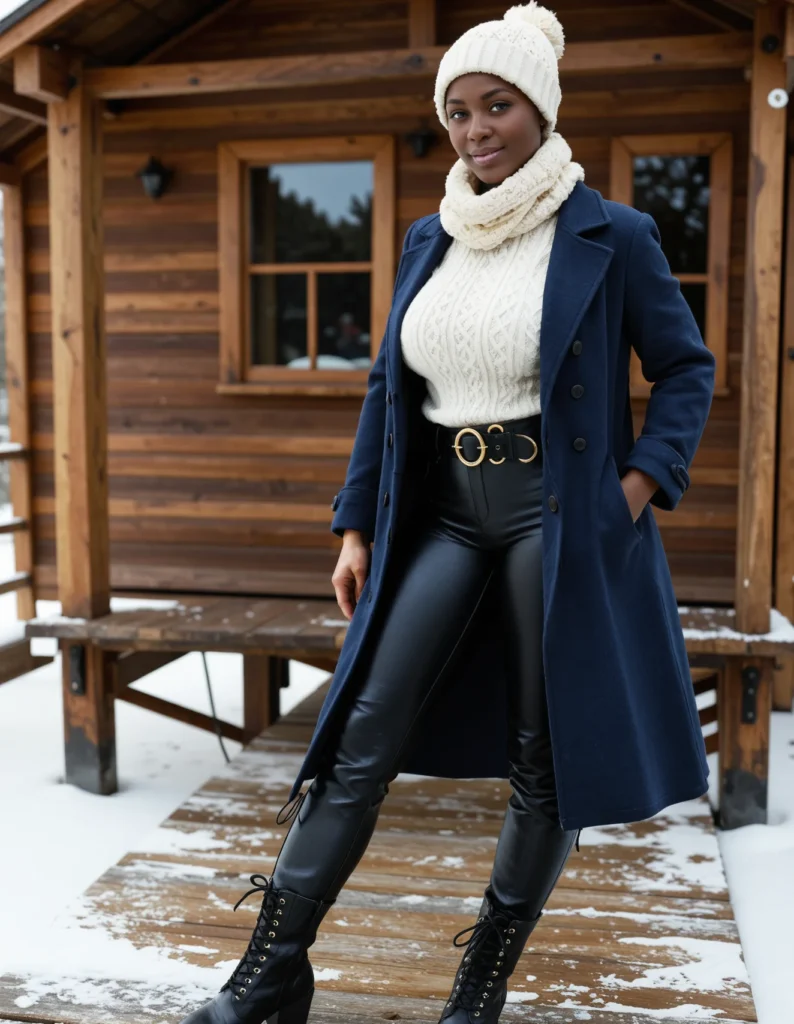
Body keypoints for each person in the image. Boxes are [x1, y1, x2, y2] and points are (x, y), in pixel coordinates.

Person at [180, 3, 715, 1022]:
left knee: (543, 756)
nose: (475, 130)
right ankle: (269, 974)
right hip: (442, 515)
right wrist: (355, 526)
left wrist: (636, 489)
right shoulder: (430, 238)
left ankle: (476, 992)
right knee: (359, 730)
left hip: (558, 517)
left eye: (496, 106)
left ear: (540, 109)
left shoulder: (612, 233)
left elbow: (685, 368)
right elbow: (388, 385)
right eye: (457, 111)